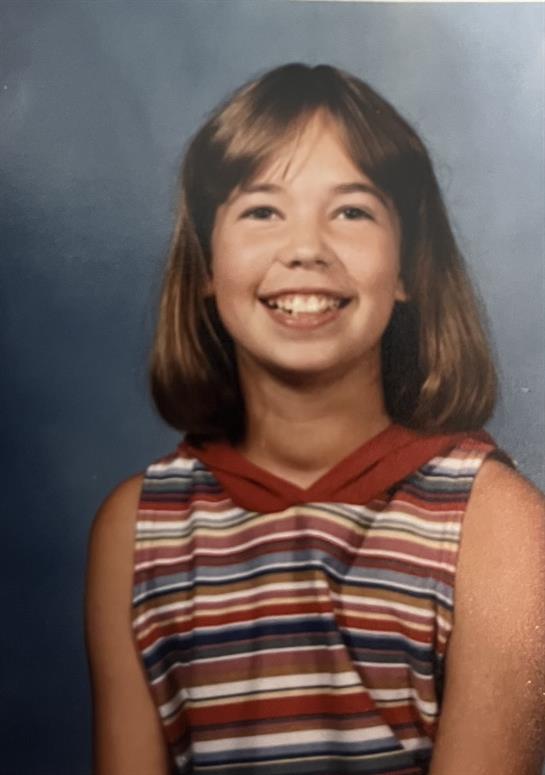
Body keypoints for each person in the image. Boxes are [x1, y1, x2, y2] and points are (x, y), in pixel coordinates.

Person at [85, 63, 545, 775]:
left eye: (352, 211)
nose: (305, 248)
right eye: (261, 210)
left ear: (405, 272)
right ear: (206, 264)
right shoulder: (137, 531)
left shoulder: (494, 524)